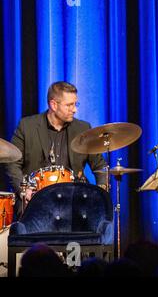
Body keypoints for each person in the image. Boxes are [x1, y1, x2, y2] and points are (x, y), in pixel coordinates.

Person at [6, 81, 107, 218]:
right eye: (69, 105)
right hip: (35, 198)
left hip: (73, 198)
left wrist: (102, 191)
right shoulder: (27, 126)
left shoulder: (83, 128)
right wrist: (24, 191)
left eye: (75, 104)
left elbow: (100, 165)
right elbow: (12, 163)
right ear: (53, 105)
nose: (75, 110)